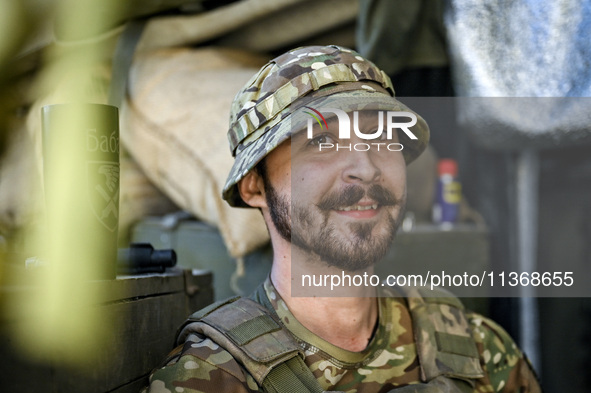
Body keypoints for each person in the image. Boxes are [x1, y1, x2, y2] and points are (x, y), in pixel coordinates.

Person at [144, 45, 541, 392]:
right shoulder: (210, 378)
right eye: (322, 141)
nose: (365, 168)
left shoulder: (478, 353)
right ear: (255, 187)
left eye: (382, 138)